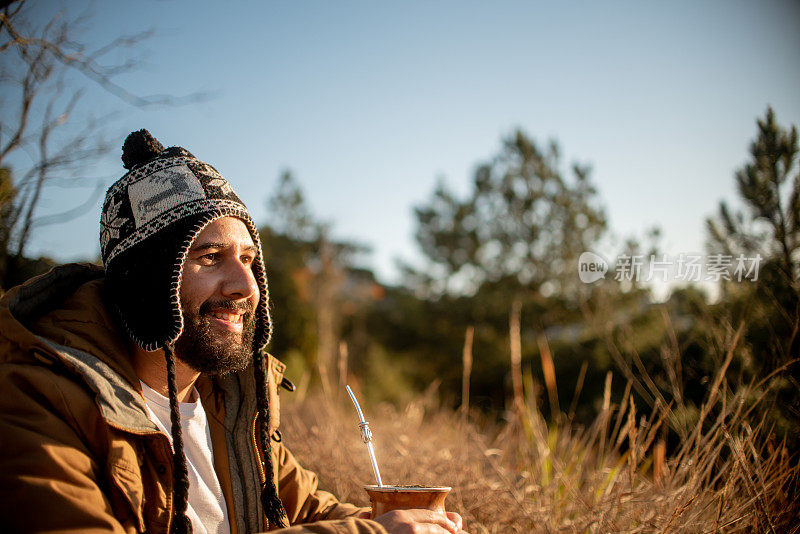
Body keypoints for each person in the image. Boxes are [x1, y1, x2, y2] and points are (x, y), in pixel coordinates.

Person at [0, 130, 464, 534]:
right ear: (145, 283)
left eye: (247, 260)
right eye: (210, 258)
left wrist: (410, 526)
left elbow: (306, 511)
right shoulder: (35, 399)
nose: (247, 287)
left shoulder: (234, 402)